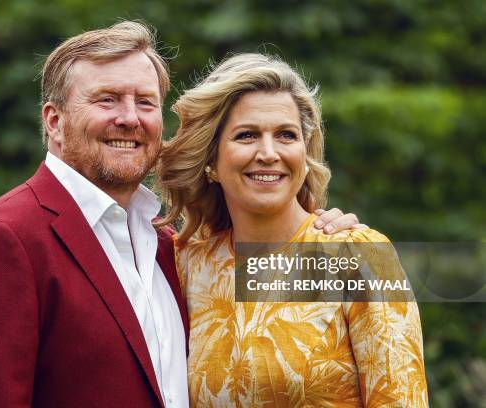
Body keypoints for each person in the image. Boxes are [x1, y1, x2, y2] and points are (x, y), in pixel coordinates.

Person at [0, 21, 361, 407]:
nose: (129, 118)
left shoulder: (175, 249)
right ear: (54, 121)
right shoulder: (5, 239)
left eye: (145, 102)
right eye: (107, 99)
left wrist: (331, 244)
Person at [158, 53, 428, 407]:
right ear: (211, 160)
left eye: (286, 135)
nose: (268, 153)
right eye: (247, 135)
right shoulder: (186, 263)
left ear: (305, 153)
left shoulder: (358, 257)